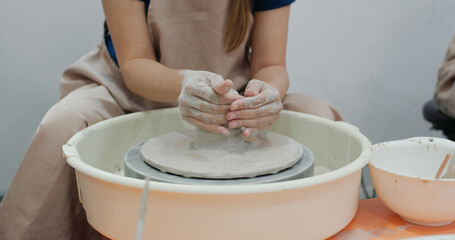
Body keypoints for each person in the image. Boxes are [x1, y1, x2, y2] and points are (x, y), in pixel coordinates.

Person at [0, 0, 343, 239]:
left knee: (318, 117)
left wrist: (266, 94)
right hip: (128, 93)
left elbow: (271, 64)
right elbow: (134, 65)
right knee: (63, 124)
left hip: (227, 97)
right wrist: (183, 83)